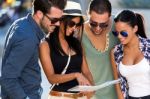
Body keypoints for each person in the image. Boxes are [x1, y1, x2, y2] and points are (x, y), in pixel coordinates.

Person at [0, 0, 66, 98]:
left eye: (60, 19)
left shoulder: (22, 23)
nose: (58, 24)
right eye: (54, 20)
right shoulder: (27, 38)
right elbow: (8, 78)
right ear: (39, 14)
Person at [39, 0, 94, 99]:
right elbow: (51, 78)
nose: (74, 28)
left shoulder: (76, 43)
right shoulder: (45, 45)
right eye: (72, 24)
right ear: (60, 20)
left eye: (77, 25)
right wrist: (76, 75)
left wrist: (91, 87)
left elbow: (86, 72)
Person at [82, 0, 118, 98]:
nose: (98, 28)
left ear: (110, 16)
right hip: (91, 95)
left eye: (103, 24)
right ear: (87, 14)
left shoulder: (119, 25)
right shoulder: (79, 32)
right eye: (93, 23)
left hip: (118, 93)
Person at [111, 10, 150, 99]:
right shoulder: (115, 52)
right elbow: (117, 83)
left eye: (123, 33)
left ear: (135, 29)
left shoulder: (148, 46)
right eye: (116, 33)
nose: (119, 36)